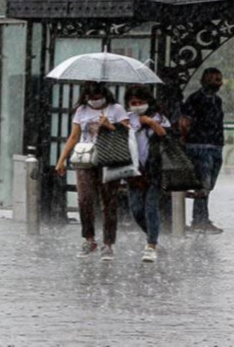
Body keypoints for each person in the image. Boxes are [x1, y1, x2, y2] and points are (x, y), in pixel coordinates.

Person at [56, 81, 129, 261]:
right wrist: (62, 159)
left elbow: (128, 133)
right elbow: (74, 136)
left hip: (109, 159)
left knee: (108, 201)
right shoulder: (81, 111)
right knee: (84, 199)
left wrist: (109, 126)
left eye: (97, 97)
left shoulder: (116, 109)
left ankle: (108, 243)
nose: (94, 101)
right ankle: (89, 238)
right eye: (90, 98)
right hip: (86, 158)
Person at [124, 85, 170, 263]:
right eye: (133, 103)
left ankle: (151, 245)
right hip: (134, 171)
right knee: (136, 209)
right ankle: (153, 234)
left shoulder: (159, 117)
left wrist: (150, 122)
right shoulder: (127, 119)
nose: (137, 105)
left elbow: (166, 136)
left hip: (155, 169)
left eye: (140, 102)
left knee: (151, 207)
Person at [179, 68, 224, 234]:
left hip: (215, 145)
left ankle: (201, 217)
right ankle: (199, 219)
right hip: (199, 145)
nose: (216, 82)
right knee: (203, 184)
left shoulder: (217, 101)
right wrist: (185, 140)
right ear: (203, 81)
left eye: (218, 79)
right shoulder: (195, 99)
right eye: (212, 79)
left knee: (209, 184)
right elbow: (185, 122)